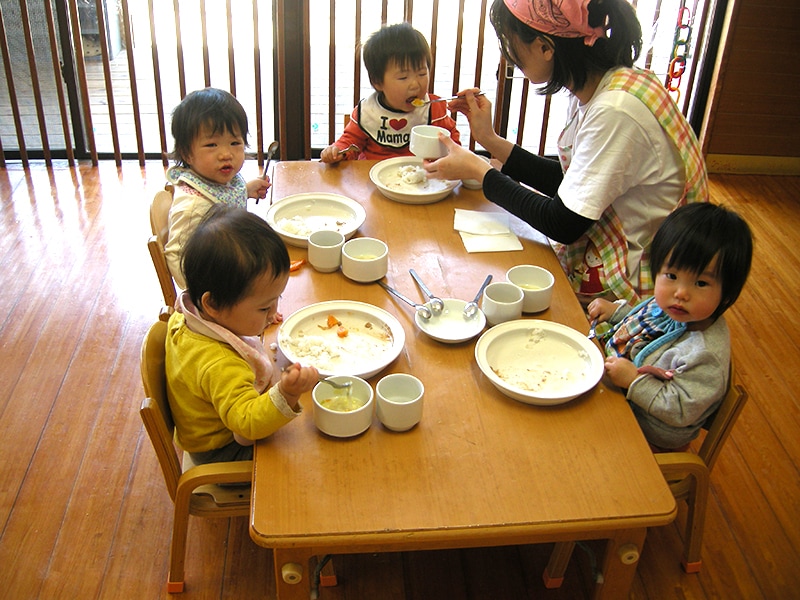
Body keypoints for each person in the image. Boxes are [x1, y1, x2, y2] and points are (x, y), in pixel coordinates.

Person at [426, 0, 709, 306]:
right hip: (617, 247)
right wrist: (489, 140)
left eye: (510, 43)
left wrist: (481, 171)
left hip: (648, 286)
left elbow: (563, 222)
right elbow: (572, 182)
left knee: (477, 284)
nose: (507, 56)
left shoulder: (616, 111)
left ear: (546, 48)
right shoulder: (606, 84)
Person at [586, 203, 753, 451]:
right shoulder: (674, 308)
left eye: (701, 283)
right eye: (672, 276)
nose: (681, 292)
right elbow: (644, 323)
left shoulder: (704, 354)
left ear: (727, 293)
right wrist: (616, 313)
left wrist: (634, 381)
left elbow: (681, 409)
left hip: (649, 438)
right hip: (618, 397)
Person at [165, 204, 319, 465]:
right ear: (213, 304)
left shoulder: (189, 314)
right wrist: (288, 394)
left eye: (276, 300)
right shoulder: (220, 364)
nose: (274, 313)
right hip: (223, 452)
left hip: (215, 427)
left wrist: (261, 315)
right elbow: (247, 423)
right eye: (263, 307)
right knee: (309, 452)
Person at [164, 87, 271, 289]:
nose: (226, 154)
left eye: (234, 142)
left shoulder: (215, 181)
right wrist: (205, 298)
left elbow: (224, 200)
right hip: (216, 289)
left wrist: (246, 190)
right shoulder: (193, 207)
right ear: (187, 154)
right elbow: (176, 256)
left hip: (234, 260)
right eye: (212, 145)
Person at [319, 22, 461, 163]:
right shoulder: (369, 112)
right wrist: (338, 151)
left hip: (421, 177)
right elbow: (350, 143)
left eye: (422, 73)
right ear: (378, 82)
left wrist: (455, 155)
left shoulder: (434, 109)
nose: (415, 84)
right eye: (403, 77)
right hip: (373, 176)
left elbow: (452, 140)